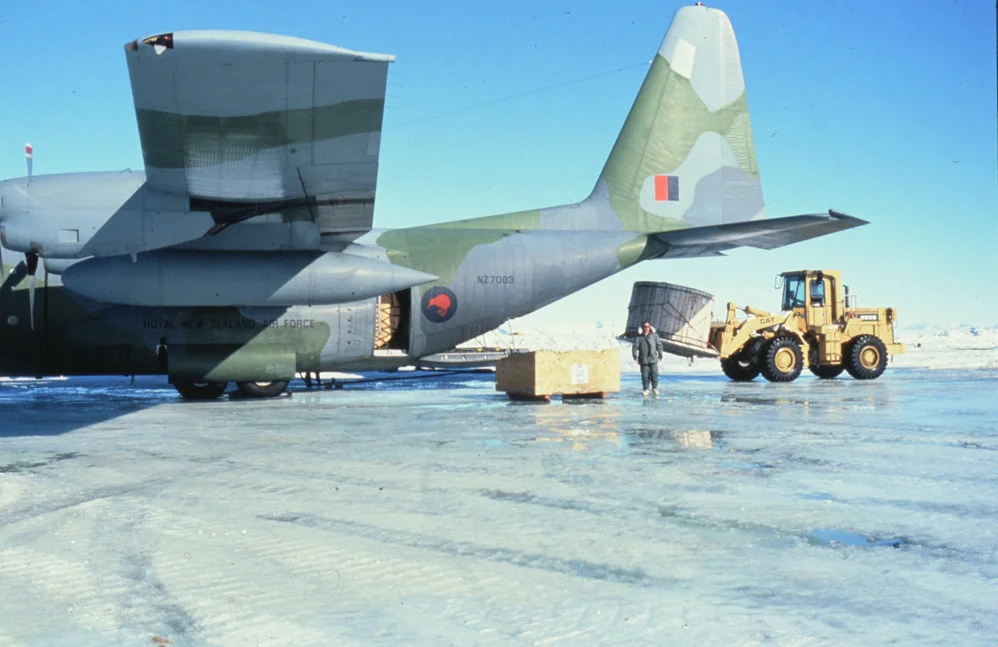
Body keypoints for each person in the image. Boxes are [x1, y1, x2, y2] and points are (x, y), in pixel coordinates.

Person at [632, 321, 664, 396]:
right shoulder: (639, 337)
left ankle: (654, 388)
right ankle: (646, 389)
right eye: (645, 326)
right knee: (645, 376)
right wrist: (634, 354)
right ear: (642, 327)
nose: (646, 328)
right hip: (644, 360)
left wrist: (660, 353)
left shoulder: (654, 336)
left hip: (653, 359)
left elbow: (659, 345)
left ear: (650, 327)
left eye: (648, 326)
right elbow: (635, 347)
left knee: (654, 375)